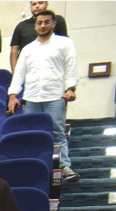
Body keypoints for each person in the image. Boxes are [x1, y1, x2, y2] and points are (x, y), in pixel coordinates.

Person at [8, 9, 79, 180]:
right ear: (35, 25)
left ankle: (64, 167)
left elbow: (71, 67)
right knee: (31, 134)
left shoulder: (64, 43)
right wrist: (12, 95)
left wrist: (71, 88)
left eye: (47, 22)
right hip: (31, 98)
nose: (42, 25)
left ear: (54, 23)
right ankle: (33, 167)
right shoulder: (27, 49)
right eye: (39, 23)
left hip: (55, 96)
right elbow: (19, 73)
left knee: (57, 133)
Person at [10, 0, 67, 71]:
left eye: (40, 3)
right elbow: (14, 50)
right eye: (34, 4)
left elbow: (65, 46)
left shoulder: (58, 20)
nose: (37, 6)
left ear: (46, 4)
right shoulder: (21, 26)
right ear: (30, 7)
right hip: (28, 69)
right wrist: (15, 74)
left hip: (52, 67)